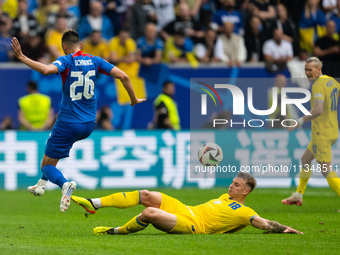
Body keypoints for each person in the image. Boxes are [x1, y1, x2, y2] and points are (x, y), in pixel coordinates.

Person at [11, 30, 145, 212]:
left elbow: (45, 70)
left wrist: (21, 57)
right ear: (81, 45)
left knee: (46, 164)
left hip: (68, 122)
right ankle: (41, 184)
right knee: (52, 155)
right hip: (89, 124)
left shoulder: (66, 60)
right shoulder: (95, 60)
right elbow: (125, 76)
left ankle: (65, 185)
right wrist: (134, 99)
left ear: (64, 47)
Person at [71, 172, 303, 235]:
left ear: (247, 190)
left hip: (193, 226)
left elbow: (262, 223)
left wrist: (284, 228)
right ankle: (94, 203)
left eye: (236, 185)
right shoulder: (224, 197)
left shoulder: (245, 211)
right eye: (232, 182)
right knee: (146, 195)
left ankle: (116, 231)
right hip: (185, 209)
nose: (231, 186)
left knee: (150, 213)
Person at [282, 57, 340, 206]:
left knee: (326, 169)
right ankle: (298, 195)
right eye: (306, 70)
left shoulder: (318, 86)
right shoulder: (331, 81)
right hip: (332, 129)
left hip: (322, 132)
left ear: (318, 69)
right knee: (306, 159)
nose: (307, 73)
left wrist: (299, 121)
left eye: (310, 70)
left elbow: (318, 110)